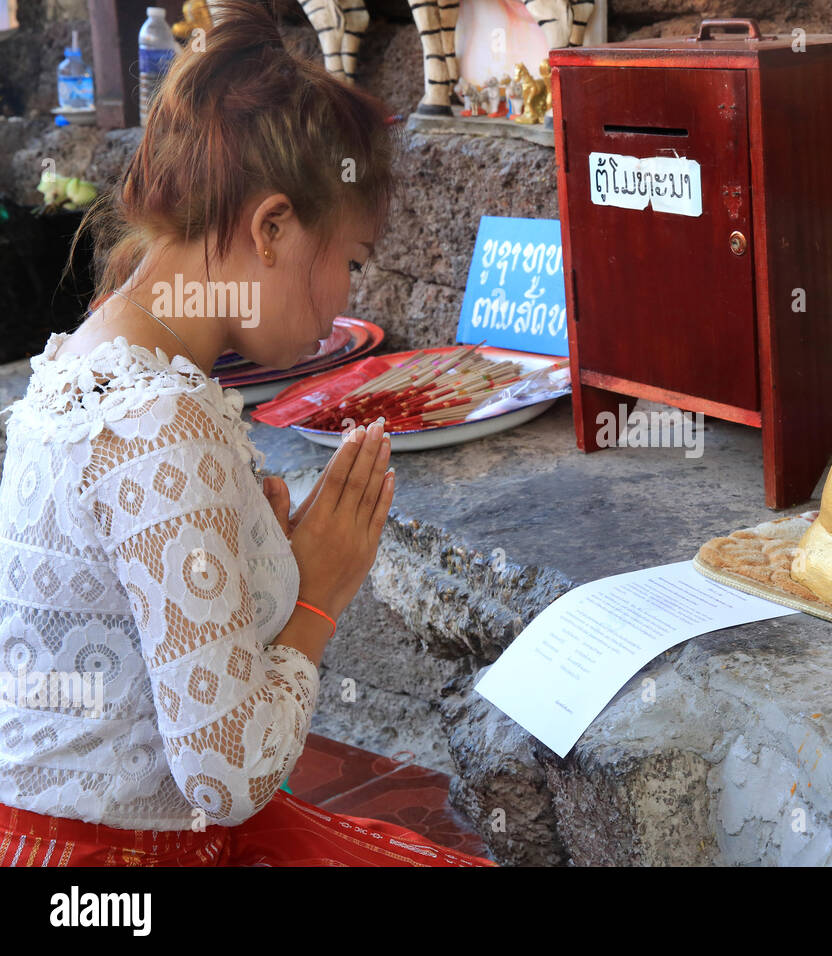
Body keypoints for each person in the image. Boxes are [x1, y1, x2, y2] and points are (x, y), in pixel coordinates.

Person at [0, 0, 494, 867]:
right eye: (348, 259)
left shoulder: (103, 356)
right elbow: (225, 775)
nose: (345, 298)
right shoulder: (157, 424)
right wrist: (317, 594)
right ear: (271, 228)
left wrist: (251, 559)